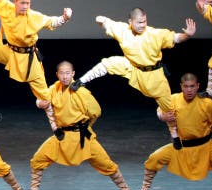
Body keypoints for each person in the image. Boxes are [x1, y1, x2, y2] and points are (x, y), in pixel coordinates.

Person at [71, 8, 196, 149]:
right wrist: (101, 20)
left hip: (153, 76)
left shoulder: (155, 34)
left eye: (145, 21)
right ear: (130, 22)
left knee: (169, 109)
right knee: (109, 63)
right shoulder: (122, 30)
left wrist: (188, 35)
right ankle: (81, 81)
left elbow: (176, 38)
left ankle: (174, 135)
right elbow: (106, 23)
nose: (142, 25)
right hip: (133, 68)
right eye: (139, 22)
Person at [0, 0, 72, 138]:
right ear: (15, 2)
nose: (25, 6)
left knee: (45, 96)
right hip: (11, 53)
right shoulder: (6, 8)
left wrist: (65, 17)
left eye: (28, 3)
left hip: (29, 59)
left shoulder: (34, 16)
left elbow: (52, 21)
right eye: (22, 3)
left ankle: (55, 127)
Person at [26, 62, 137, 190]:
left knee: (107, 164)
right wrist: (39, 103)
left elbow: (96, 112)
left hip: (82, 136)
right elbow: (42, 98)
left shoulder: (81, 91)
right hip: (62, 136)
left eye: (68, 73)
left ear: (73, 74)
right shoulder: (54, 89)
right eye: (62, 73)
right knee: (38, 159)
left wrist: (84, 126)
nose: (65, 76)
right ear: (57, 74)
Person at [136, 73, 212, 190]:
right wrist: (163, 117)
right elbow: (160, 110)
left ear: (197, 86)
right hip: (180, 147)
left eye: (192, 86)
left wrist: (209, 130)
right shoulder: (173, 99)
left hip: (205, 146)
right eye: (186, 86)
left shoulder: (207, 104)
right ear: (181, 86)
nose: (189, 90)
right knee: (153, 159)